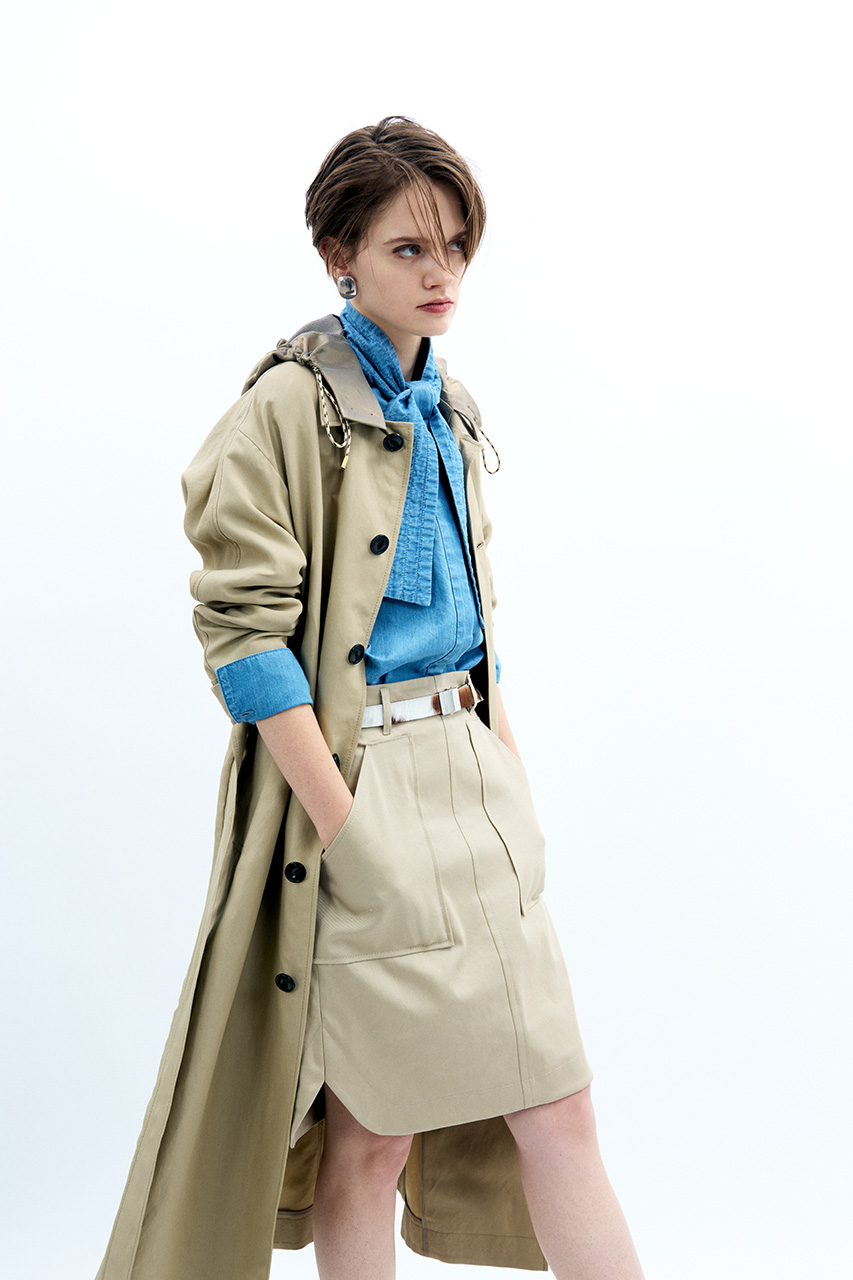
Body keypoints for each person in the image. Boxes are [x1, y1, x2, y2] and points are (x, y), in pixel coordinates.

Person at [95, 117, 644, 1280]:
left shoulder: (450, 405)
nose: (442, 273)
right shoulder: (285, 409)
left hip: (475, 782)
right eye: (409, 248)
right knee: (371, 1132)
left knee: (559, 1104)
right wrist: (342, 824)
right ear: (337, 255)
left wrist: (510, 776)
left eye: (456, 245)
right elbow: (244, 636)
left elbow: (480, 632)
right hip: (362, 782)